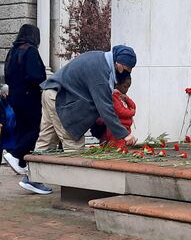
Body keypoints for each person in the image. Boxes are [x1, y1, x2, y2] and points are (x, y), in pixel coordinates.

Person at [19, 45, 139, 195]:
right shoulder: (100, 71)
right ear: (119, 64)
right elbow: (105, 108)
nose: (128, 72)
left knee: (47, 139)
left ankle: (31, 178)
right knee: (74, 146)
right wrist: (124, 134)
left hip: (52, 93)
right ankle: (76, 191)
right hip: (60, 100)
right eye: (128, 68)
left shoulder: (100, 59)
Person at [2, 25, 46, 180]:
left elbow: (7, 74)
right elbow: (36, 76)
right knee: (34, 129)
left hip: (15, 96)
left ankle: (21, 162)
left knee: (22, 128)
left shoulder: (13, 51)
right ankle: (16, 155)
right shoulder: (30, 50)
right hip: (29, 96)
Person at [105, 72, 136, 147]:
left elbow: (133, 106)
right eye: (125, 87)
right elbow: (120, 111)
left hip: (126, 127)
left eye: (128, 87)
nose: (127, 90)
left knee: (124, 147)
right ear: (117, 84)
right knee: (117, 147)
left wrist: (127, 99)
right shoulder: (114, 96)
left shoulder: (122, 96)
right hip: (117, 129)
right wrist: (132, 112)